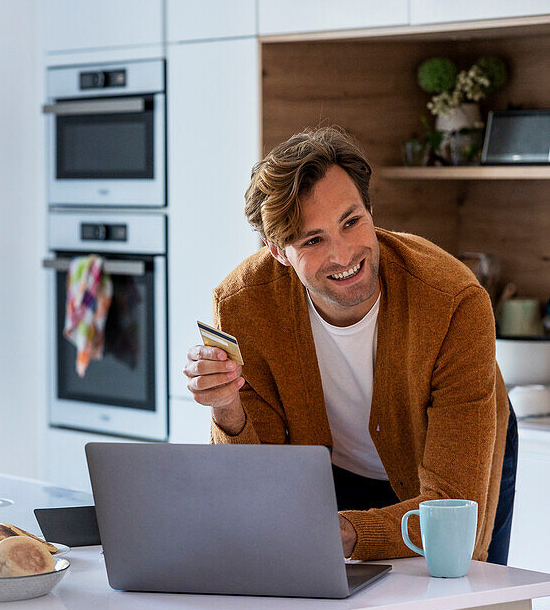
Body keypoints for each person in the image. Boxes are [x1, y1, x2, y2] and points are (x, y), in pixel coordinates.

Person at [183, 126, 517, 564]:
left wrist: (342, 533)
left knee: (459, 602)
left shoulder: (453, 302)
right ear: (277, 252)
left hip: (448, 467)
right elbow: (254, 488)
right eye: (313, 240)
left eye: (351, 221)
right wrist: (226, 406)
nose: (343, 256)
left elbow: (454, 513)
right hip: (336, 469)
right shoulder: (242, 306)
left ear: (370, 209)